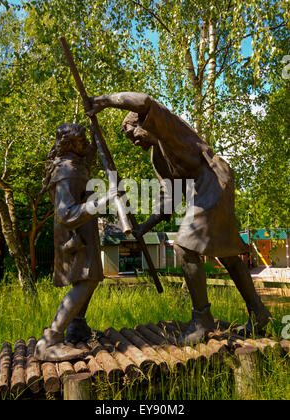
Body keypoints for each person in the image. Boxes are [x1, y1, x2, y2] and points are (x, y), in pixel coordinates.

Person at [86, 92, 272, 345]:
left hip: (213, 182)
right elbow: (169, 202)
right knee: (226, 252)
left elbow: (143, 101)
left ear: (145, 123)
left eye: (133, 133)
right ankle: (258, 311)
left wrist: (105, 101)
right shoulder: (157, 157)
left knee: (184, 247)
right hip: (205, 190)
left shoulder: (166, 124)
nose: (133, 141)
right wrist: (143, 228)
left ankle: (202, 320)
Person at [35, 123, 116, 361]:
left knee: (88, 278)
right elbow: (66, 213)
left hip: (83, 230)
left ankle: (77, 326)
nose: (87, 145)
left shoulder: (75, 164)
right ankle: (50, 340)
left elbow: (86, 162)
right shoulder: (67, 171)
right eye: (82, 142)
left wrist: (94, 137)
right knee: (85, 281)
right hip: (75, 233)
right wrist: (104, 201)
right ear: (70, 145)